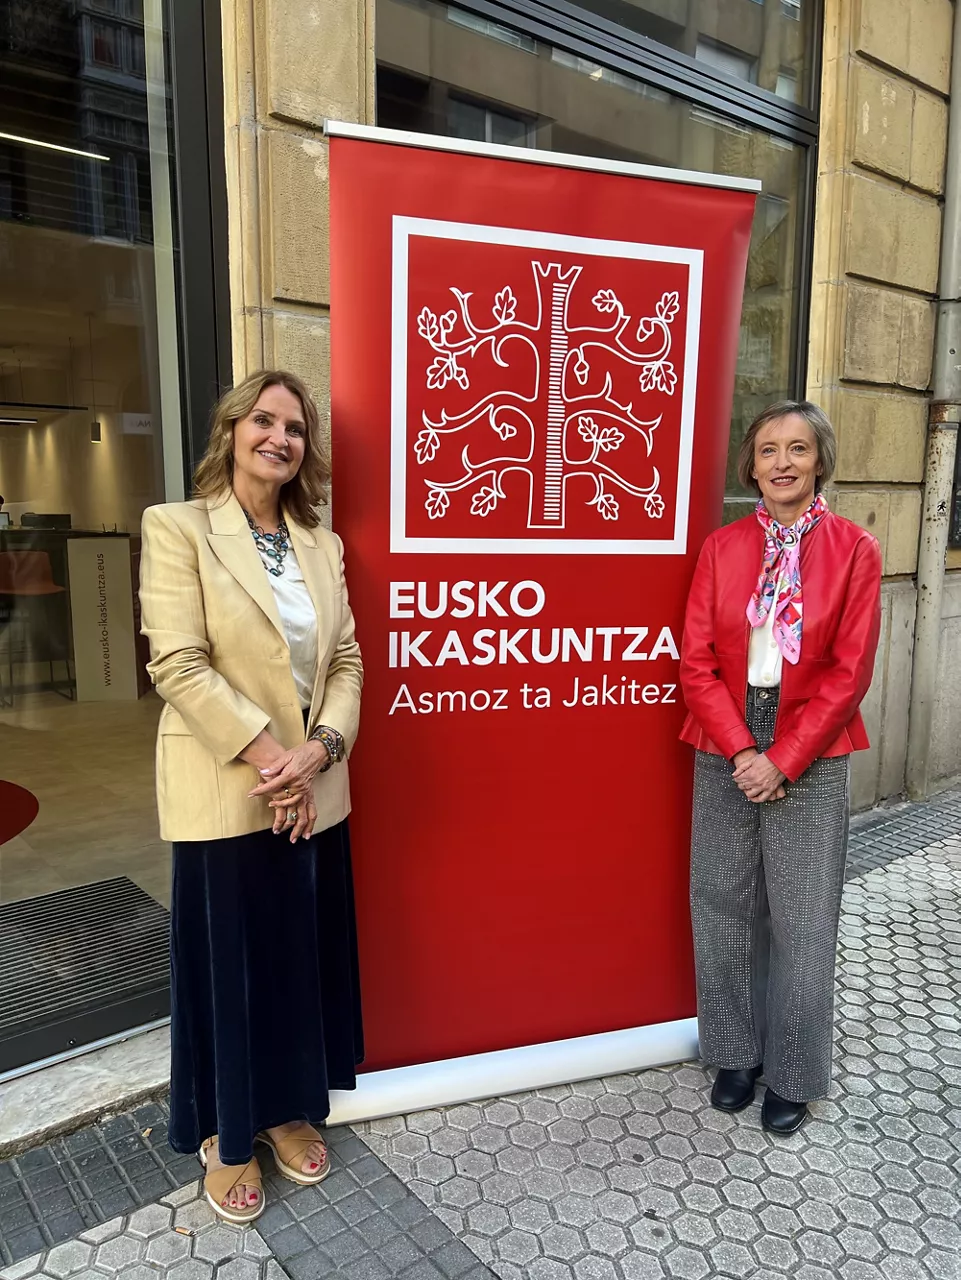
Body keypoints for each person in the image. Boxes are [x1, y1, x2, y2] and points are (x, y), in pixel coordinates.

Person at [139, 370, 364, 1222]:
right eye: (263, 420)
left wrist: (319, 751)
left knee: (292, 962)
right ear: (231, 430)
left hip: (313, 788)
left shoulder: (321, 544)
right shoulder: (178, 527)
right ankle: (226, 1134)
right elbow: (177, 663)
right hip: (227, 786)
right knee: (229, 970)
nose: (279, 438)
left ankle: (284, 1111)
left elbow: (345, 661)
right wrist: (278, 764)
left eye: (295, 428)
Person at [679, 400, 881, 1135]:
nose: (782, 462)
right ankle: (734, 1054)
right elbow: (695, 661)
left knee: (802, 916)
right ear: (752, 465)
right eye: (768, 450)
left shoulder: (855, 550)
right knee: (720, 902)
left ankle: (794, 1071)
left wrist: (784, 758)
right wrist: (741, 749)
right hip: (725, 738)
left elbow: (849, 673)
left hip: (812, 743)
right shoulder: (722, 547)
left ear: (819, 460)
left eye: (797, 448)